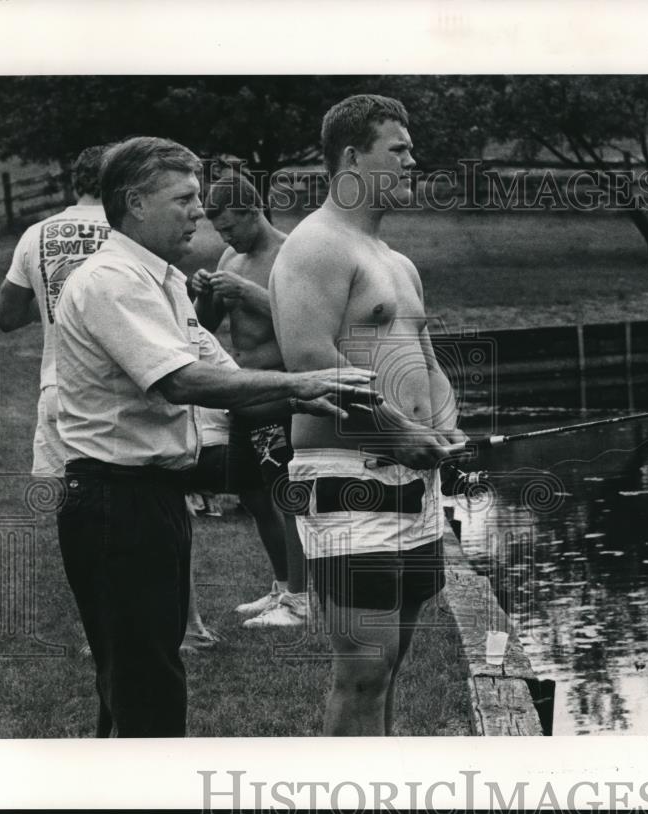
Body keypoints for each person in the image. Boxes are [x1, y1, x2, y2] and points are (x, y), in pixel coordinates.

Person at [54, 135, 378, 737]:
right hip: (114, 501)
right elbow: (180, 380)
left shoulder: (164, 280)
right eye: (184, 198)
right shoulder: (112, 281)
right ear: (134, 204)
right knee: (143, 681)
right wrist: (301, 381)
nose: (200, 212)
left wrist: (307, 391)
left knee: (142, 672)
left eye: (199, 198)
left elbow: (220, 366)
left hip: (152, 496)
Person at [270, 95, 468, 736]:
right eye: (399, 150)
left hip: (413, 480)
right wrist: (400, 432)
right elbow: (311, 365)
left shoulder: (395, 260)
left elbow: (426, 360)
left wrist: (444, 423)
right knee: (360, 671)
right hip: (347, 480)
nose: (414, 160)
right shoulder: (316, 246)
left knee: (391, 665)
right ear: (352, 158)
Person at [193, 172, 307, 627]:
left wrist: (251, 295)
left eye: (230, 227)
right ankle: (281, 588)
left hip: (281, 394)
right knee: (254, 497)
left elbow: (305, 325)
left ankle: (302, 599)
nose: (225, 237)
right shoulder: (230, 257)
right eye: (218, 231)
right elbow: (204, 327)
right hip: (243, 393)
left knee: (288, 496)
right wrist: (204, 295)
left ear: (251, 210)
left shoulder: (293, 256)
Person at [0, 144, 110, 477]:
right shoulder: (133, 232)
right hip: (120, 388)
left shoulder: (36, 234)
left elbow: (8, 316)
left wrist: (54, 298)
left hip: (58, 385)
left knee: (70, 501)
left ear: (76, 183)